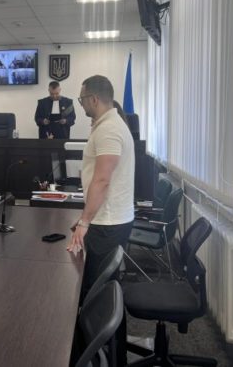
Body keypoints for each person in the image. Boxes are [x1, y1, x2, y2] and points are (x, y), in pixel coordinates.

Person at [67, 75, 135, 298]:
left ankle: (102, 323)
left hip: (108, 223)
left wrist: (85, 221)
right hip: (108, 218)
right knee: (104, 286)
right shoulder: (109, 125)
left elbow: (102, 180)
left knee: (97, 291)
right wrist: (87, 216)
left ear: (93, 99)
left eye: (82, 99)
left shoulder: (109, 130)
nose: (81, 104)